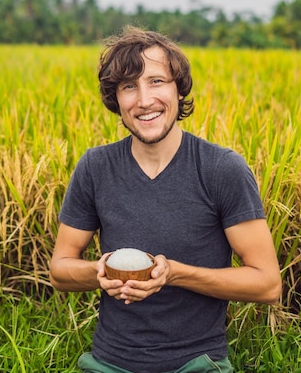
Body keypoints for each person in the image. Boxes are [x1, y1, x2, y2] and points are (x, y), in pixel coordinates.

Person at [49, 26, 282, 373]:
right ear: (117, 99)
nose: (144, 100)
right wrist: (99, 272)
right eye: (129, 86)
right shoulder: (96, 167)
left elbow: (267, 284)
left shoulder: (222, 169)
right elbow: (60, 270)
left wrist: (173, 274)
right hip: (110, 363)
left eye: (157, 81)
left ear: (178, 88)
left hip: (197, 364)